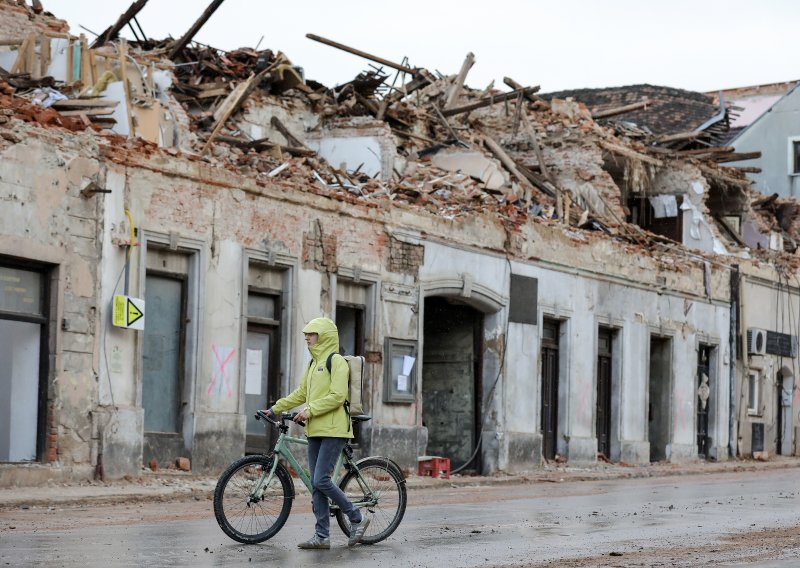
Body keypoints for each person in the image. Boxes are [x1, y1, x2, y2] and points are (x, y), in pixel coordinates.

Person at [265, 317, 370, 549]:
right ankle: (322, 536)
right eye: (306, 334)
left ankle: (358, 518)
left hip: (334, 429)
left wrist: (310, 410)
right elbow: (301, 393)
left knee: (321, 479)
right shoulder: (313, 364)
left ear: (324, 336)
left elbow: (337, 396)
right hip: (315, 430)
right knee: (316, 483)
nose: (306, 338)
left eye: (311, 334)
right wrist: (275, 408)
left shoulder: (337, 362)